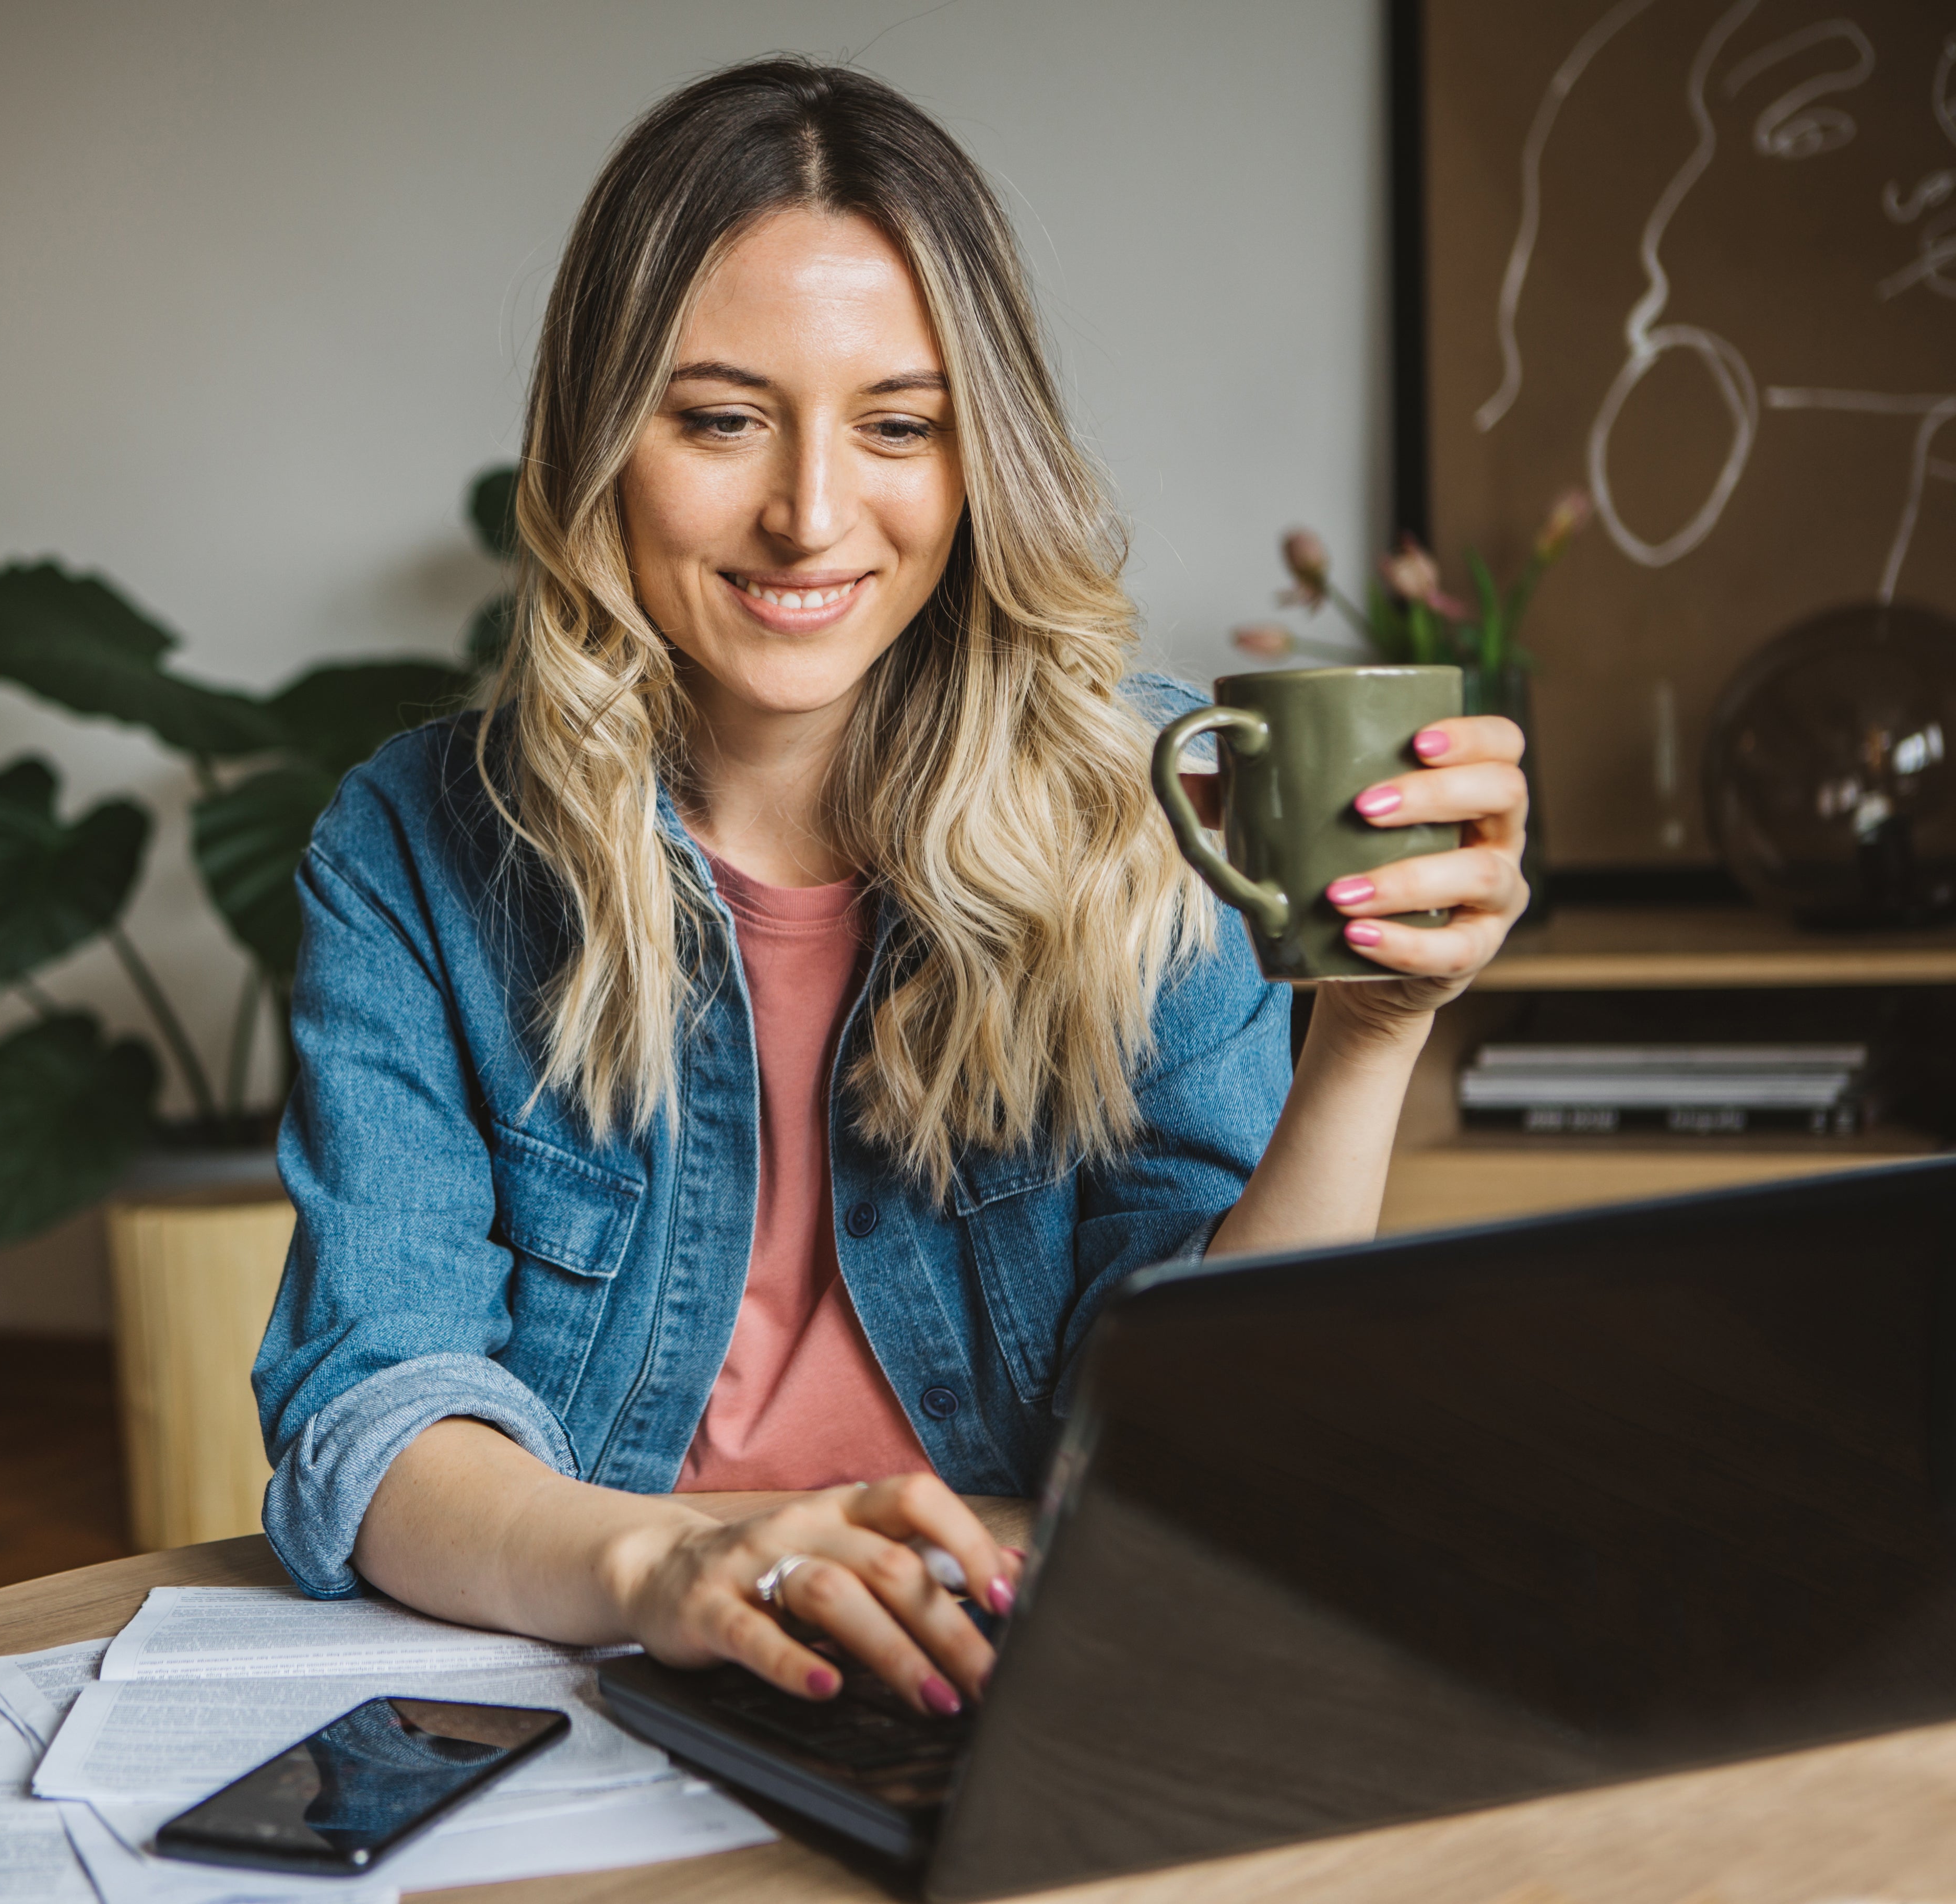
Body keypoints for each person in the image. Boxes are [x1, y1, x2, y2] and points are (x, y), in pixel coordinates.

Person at [252, 59, 1529, 1726]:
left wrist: (1367, 1038)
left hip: (1023, 1664)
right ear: (596, 446)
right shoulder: (413, 848)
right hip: (603, 1673)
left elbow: (1206, 1413)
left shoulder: (1156, 809)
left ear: (978, 454)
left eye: (900, 425)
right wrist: (670, 1570)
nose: (808, 515)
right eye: (718, 419)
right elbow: (377, 1412)